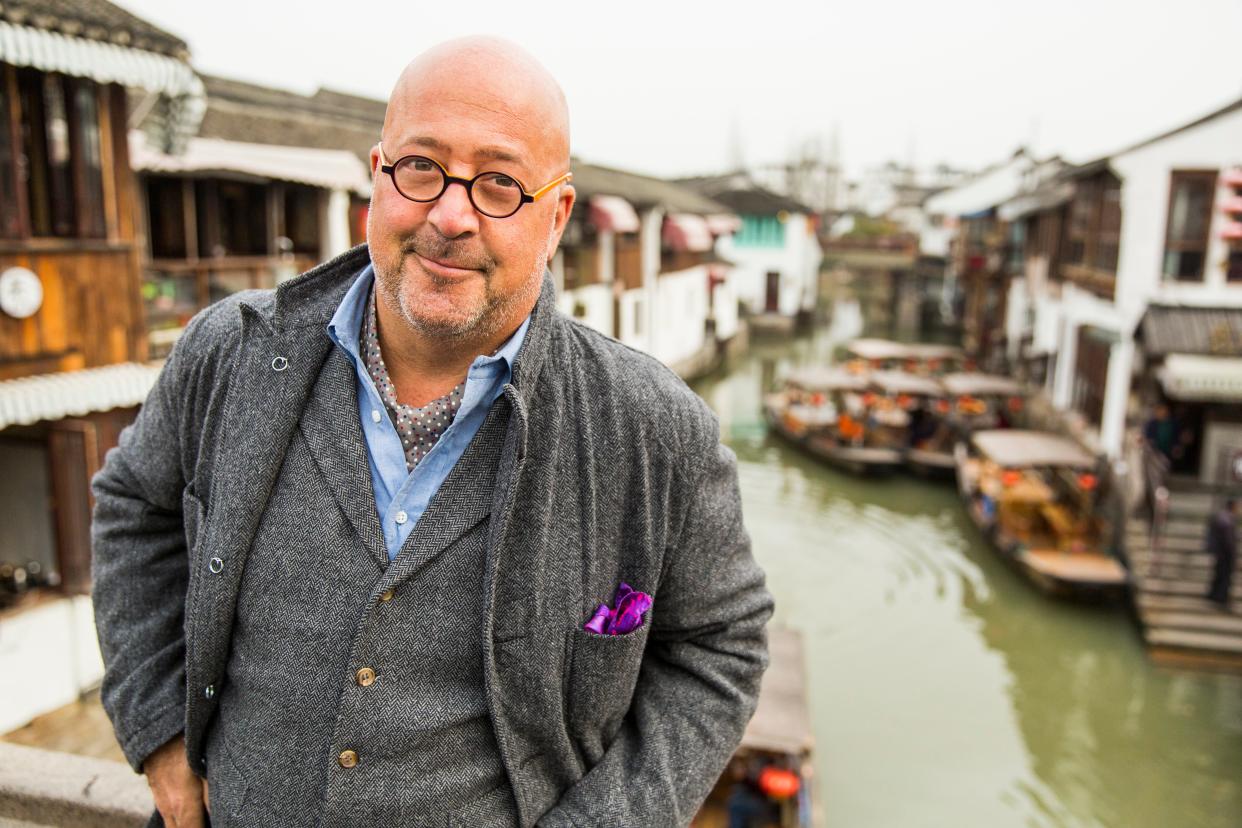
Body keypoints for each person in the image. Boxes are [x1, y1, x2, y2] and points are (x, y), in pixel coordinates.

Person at [91, 38, 773, 828]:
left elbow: (719, 645)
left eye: (499, 185)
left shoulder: (652, 430)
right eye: (422, 168)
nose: (450, 216)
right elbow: (133, 509)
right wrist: (162, 737)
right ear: (376, 179)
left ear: (556, 218)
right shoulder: (234, 356)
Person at [1206, 498, 1239, 611]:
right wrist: (1232, 553)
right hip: (1225, 553)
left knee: (1219, 575)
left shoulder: (1222, 517)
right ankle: (1220, 597)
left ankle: (1214, 595)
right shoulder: (1226, 519)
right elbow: (1228, 540)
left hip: (1220, 552)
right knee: (1224, 576)